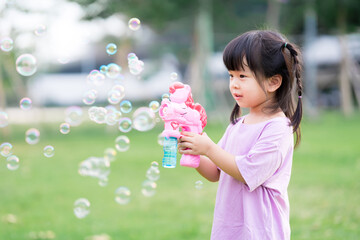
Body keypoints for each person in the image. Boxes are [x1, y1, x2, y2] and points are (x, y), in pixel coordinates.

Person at [178, 30, 303, 240]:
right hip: (230, 231)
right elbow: (216, 172)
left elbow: (247, 172)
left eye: (242, 76)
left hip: (260, 232)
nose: (234, 84)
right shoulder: (237, 125)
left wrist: (208, 147)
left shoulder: (278, 129)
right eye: (231, 75)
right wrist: (194, 148)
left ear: (273, 82)